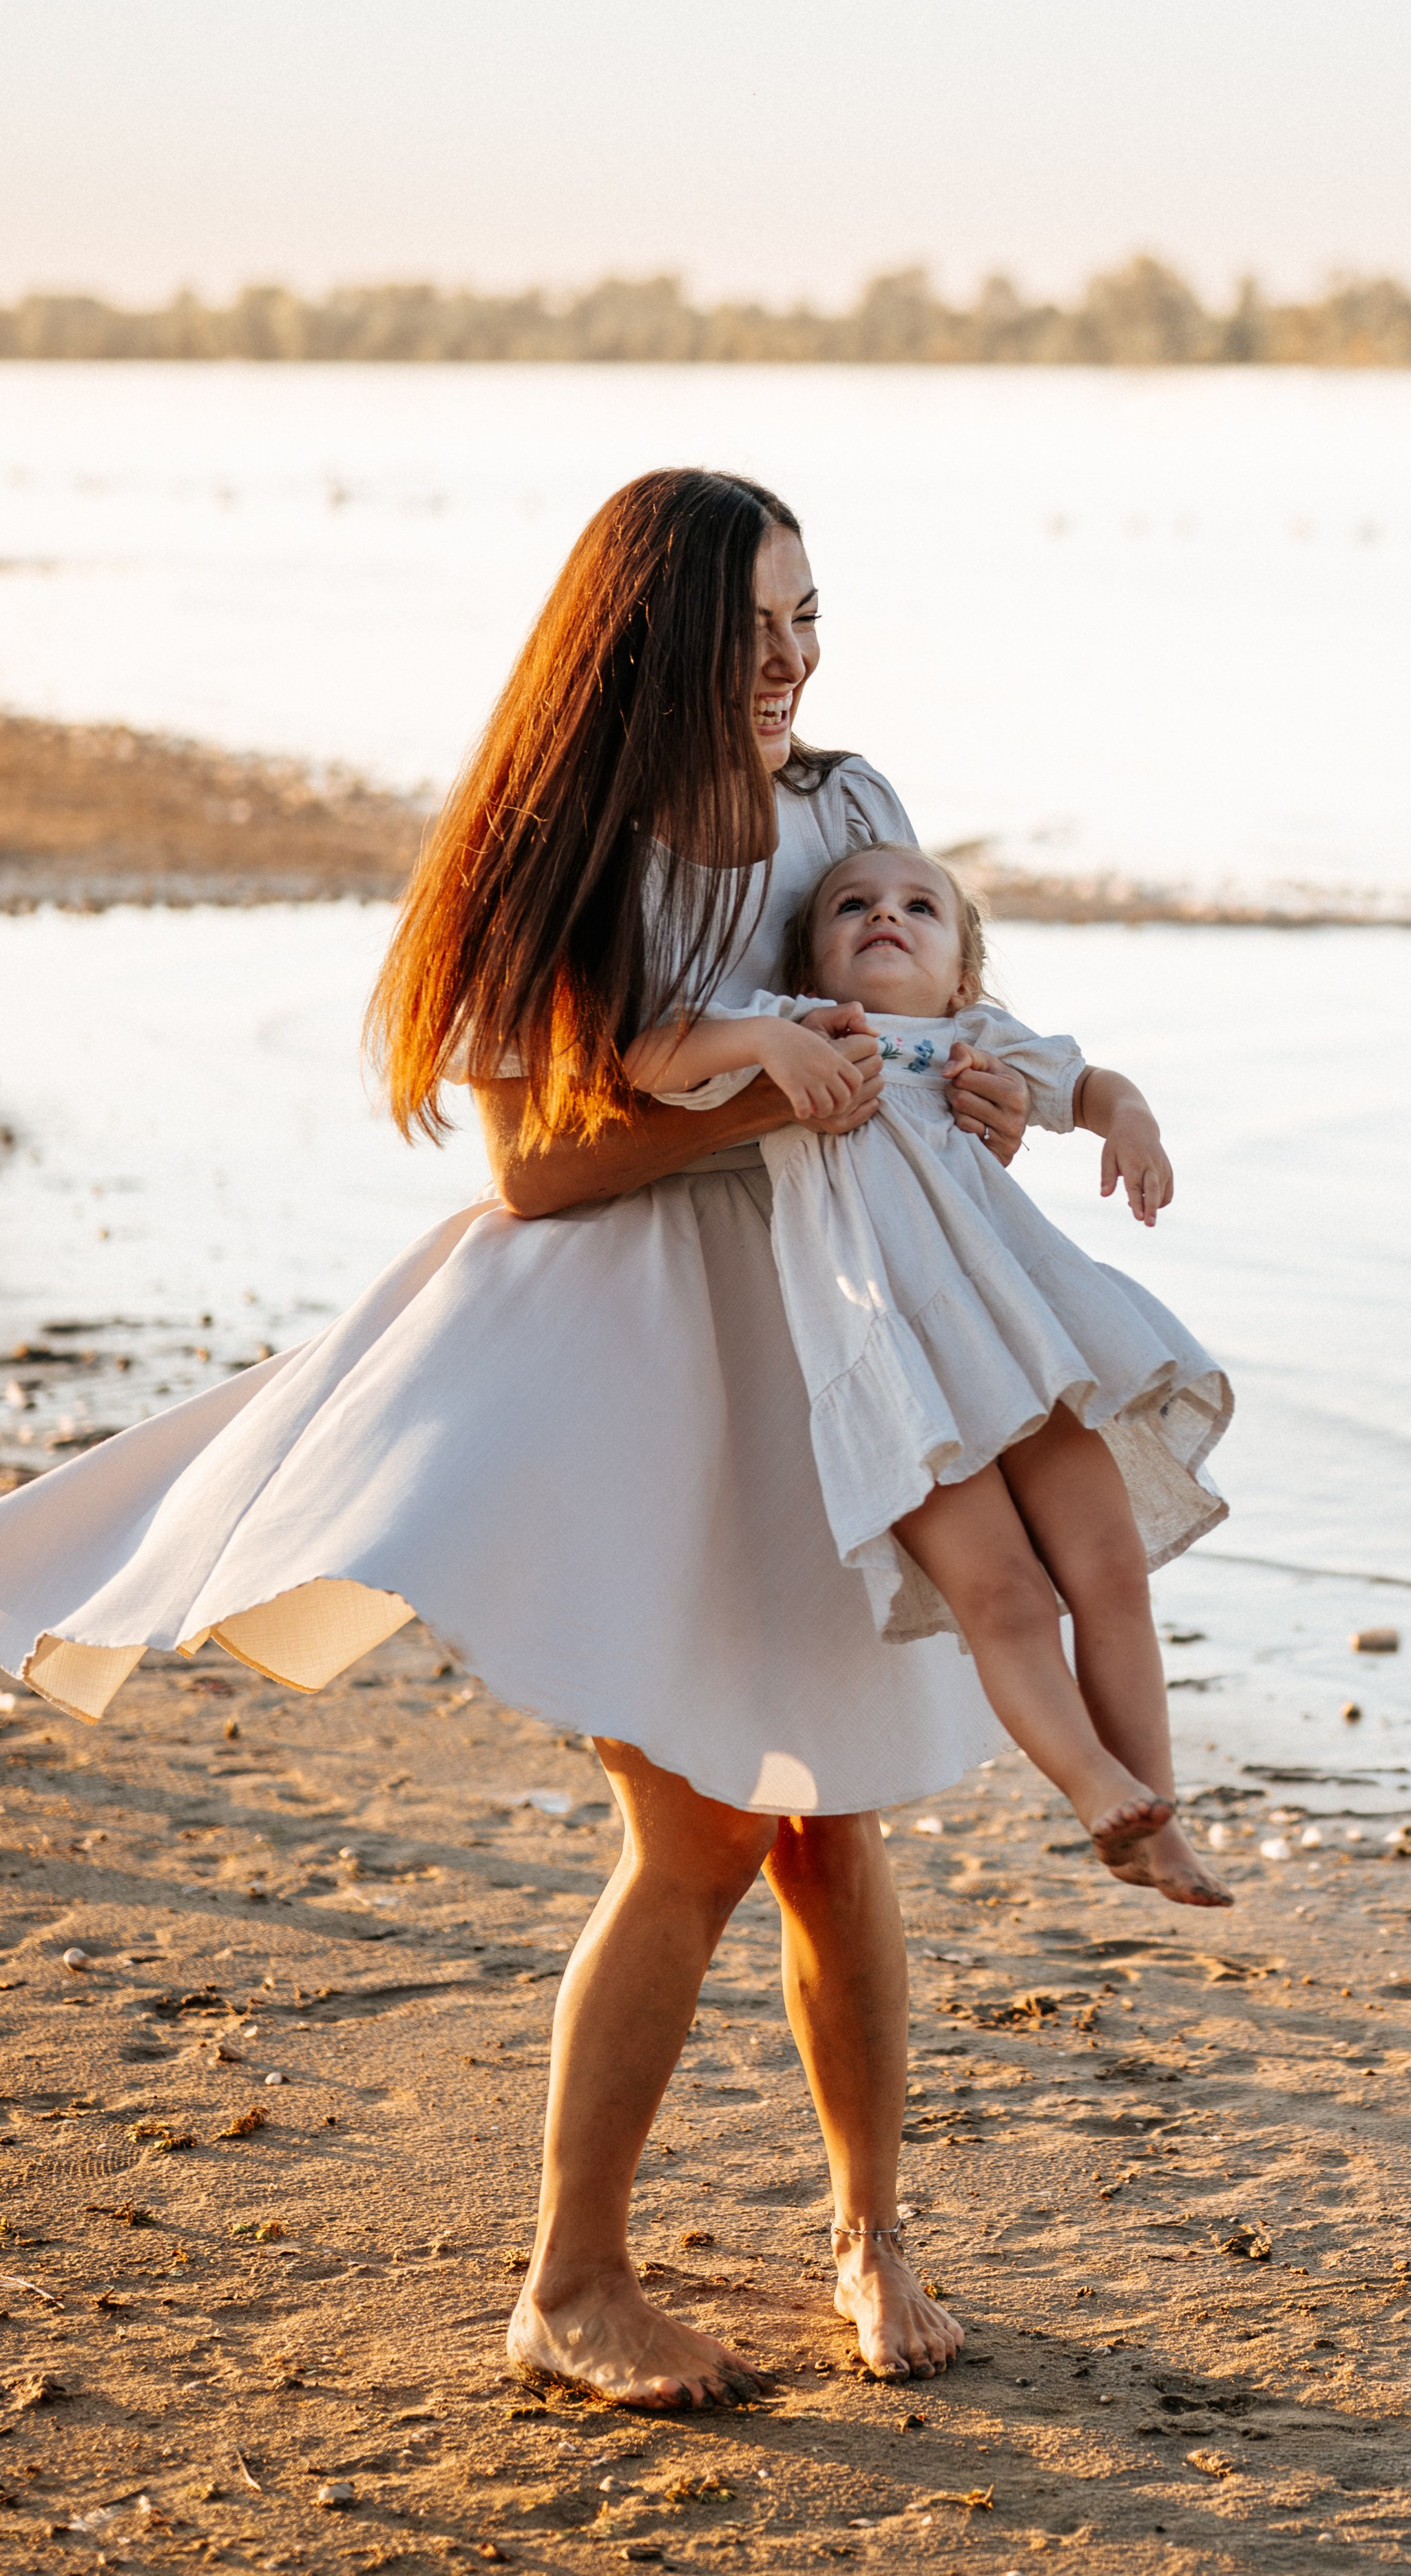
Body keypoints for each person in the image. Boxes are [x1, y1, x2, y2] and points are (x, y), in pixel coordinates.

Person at [0, 468, 1037, 2407]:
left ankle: (871, 2232)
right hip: (621, 1363)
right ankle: (567, 2280)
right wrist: (755, 1101)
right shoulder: (562, 847)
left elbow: (901, 1015)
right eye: (746, 629)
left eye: (807, 615)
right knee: (703, 1827)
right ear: (647, 639)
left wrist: (948, 1090)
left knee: (834, 1811)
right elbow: (540, 1166)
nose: (787, 658)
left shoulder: (849, 804)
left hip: (821, 1342)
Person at [624, 840, 1234, 1904]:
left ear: (962, 975)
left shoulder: (973, 1041)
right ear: (810, 967)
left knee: (1110, 1568)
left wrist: (1128, 1119)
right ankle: (1093, 1787)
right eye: (851, 906)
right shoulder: (806, 1034)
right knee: (999, 1592)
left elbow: (1087, 1084)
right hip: (898, 1361)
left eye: (918, 906)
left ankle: (1159, 1813)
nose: (884, 916)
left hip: (1021, 1336)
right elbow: (646, 1058)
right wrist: (770, 1034)